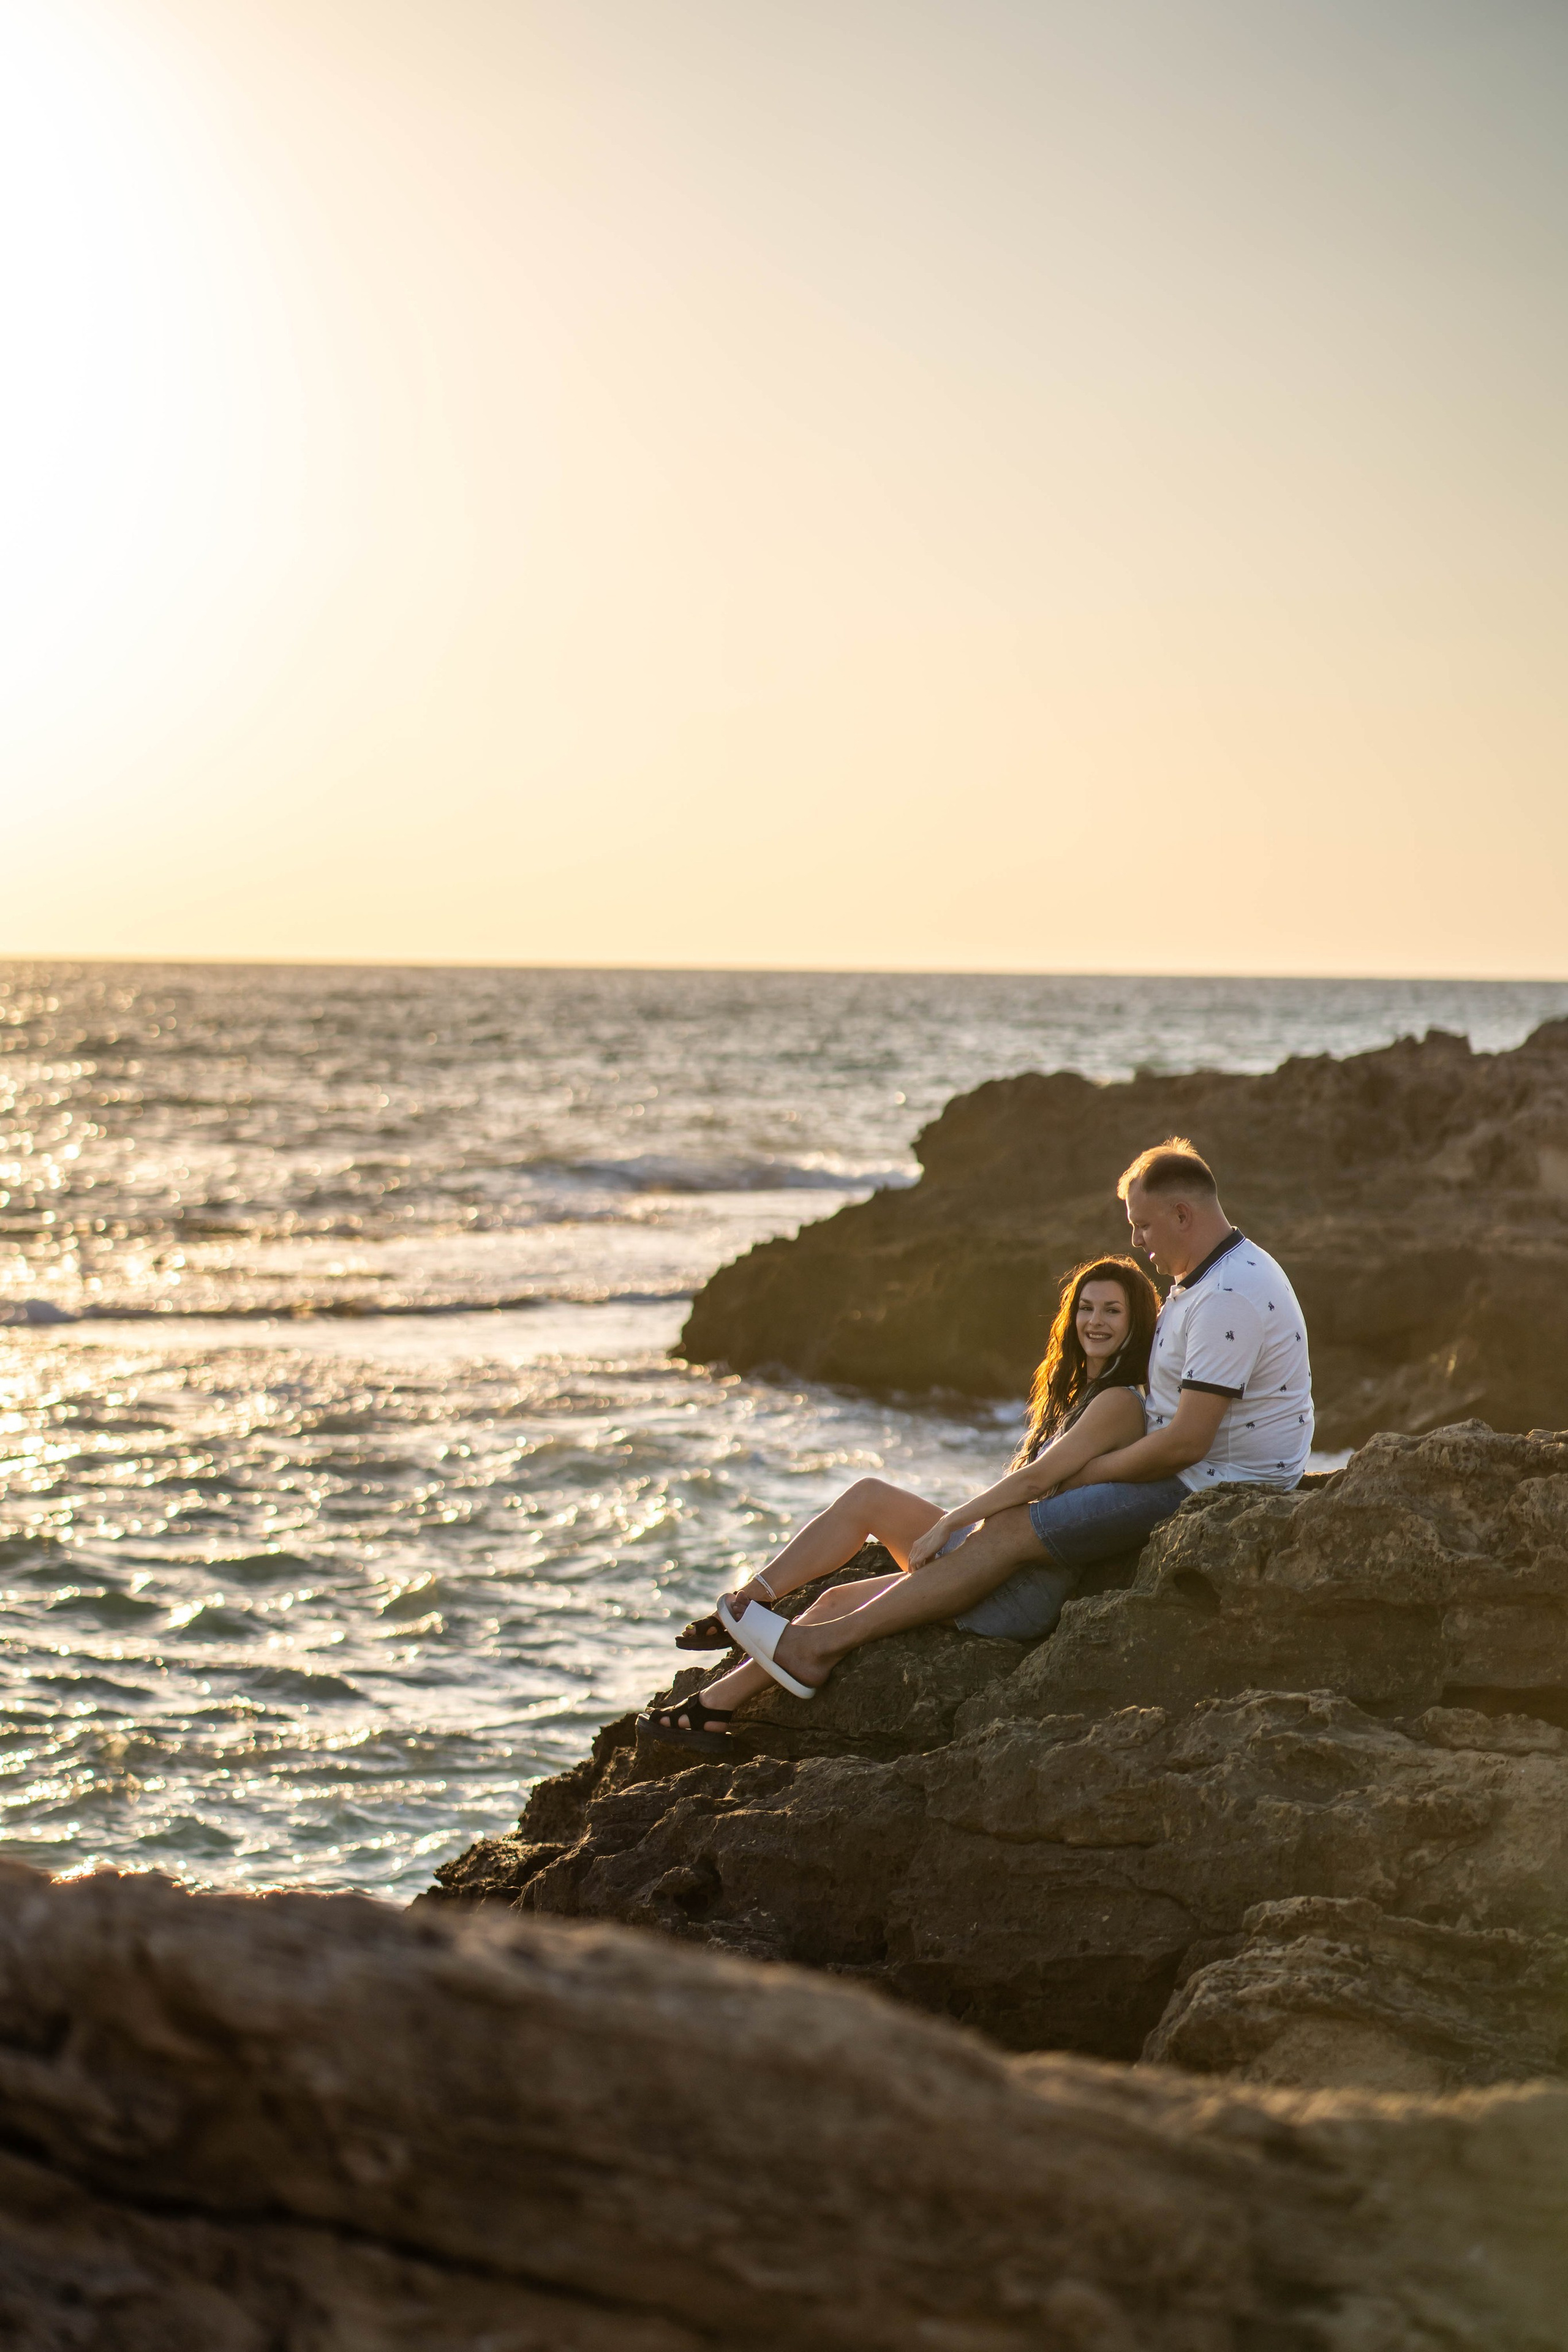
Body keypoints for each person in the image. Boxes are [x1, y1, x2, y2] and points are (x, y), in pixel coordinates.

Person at [678, 1137, 1313, 1724]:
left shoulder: (1226, 1294)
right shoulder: (1197, 1282)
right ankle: (736, 1673)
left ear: (1182, 1214)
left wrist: (1080, 1476)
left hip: (1215, 1484)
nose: (1137, 1240)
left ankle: (812, 1648)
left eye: (1143, 1225)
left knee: (1009, 1527)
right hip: (1202, 1471)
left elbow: (1185, 1442)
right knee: (923, 1535)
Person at [639, 1253, 1160, 1755]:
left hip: (1016, 1584)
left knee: (850, 1573)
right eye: (1086, 1308)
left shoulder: (1119, 1401)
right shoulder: (1079, 1395)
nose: (1095, 1321)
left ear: (1136, 1323)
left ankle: (734, 1652)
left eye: (1112, 1311)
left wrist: (949, 1523)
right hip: (991, 1556)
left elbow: (1036, 1481)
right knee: (848, 1558)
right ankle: (725, 1677)